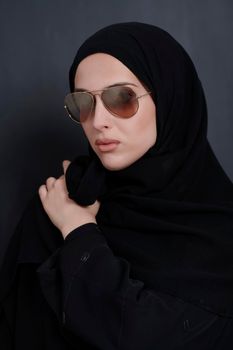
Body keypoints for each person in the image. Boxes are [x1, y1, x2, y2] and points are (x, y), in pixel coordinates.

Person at [0, 22, 233, 349]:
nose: (98, 121)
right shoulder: (59, 203)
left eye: (121, 98)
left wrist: (79, 232)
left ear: (170, 99)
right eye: (83, 103)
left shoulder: (223, 231)